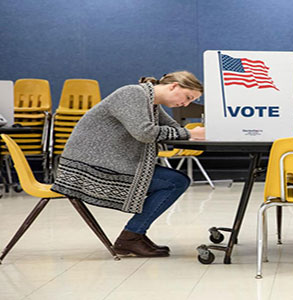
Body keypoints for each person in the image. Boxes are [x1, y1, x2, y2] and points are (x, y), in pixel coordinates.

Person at [51, 71, 205, 257]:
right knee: (175, 182)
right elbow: (145, 133)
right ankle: (131, 237)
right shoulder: (132, 94)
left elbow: (174, 129)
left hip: (107, 163)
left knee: (176, 180)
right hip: (88, 170)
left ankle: (134, 235)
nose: (186, 104)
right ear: (174, 86)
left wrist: (188, 132)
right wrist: (190, 133)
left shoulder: (151, 102)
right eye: (188, 97)